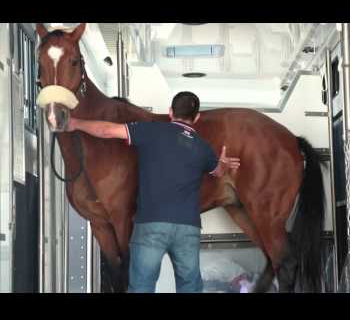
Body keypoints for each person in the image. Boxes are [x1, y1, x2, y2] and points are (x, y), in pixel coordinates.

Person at [66, 91, 240, 293]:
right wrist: (223, 164)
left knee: (141, 286)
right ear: (197, 117)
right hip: (187, 229)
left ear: (170, 112)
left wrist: (75, 123)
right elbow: (217, 172)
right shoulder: (202, 147)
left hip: (152, 225)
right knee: (190, 287)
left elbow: (106, 131)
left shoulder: (152, 131)